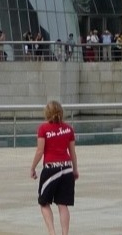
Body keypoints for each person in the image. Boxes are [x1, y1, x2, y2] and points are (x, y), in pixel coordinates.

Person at [30, 100, 79, 235]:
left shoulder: (43, 129)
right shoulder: (69, 129)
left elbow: (40, 151)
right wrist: (75, 169)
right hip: (67, 168)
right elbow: (72, 152)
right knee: (63, 205)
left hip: (51, 169)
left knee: (44, 202)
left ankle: (52, 232)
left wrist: (32, 167)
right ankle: (65, 233)